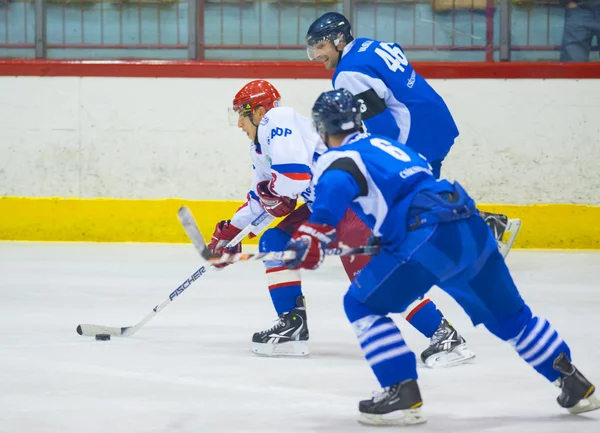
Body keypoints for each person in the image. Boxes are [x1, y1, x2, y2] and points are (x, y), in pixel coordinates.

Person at [282, 88, 599, 425]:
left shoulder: (338, 157)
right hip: (469, 225)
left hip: (429, 235)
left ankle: (400, 391)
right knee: (511, 317)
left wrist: (312, 236)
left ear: (322, 127)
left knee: (361, 303)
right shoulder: (388, 146)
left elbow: (335, 188)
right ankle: (573, 382)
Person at [210, 79, 474, 366]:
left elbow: (292, 180)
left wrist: (274, 194)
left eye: (241, 114)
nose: (238, 124)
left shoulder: (278, 119)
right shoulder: (260, 149)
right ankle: (292, 324)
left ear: (258, 112)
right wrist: (231, 235)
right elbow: (263, 200)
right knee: (274, 242)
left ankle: (444, 335)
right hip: (325, 206)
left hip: (354, 206)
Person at [305, 12, 521, 258]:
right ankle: (480, 231)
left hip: (415, 132)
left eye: (321, 46)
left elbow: (384, 126)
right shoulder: (368, 45)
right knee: (424, 195)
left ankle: (482, 229)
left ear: (340, 40)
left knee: (409, 197)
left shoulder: (348, 73)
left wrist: (384, 161)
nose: (318, 54)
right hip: (436, 120)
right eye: (314, 48)